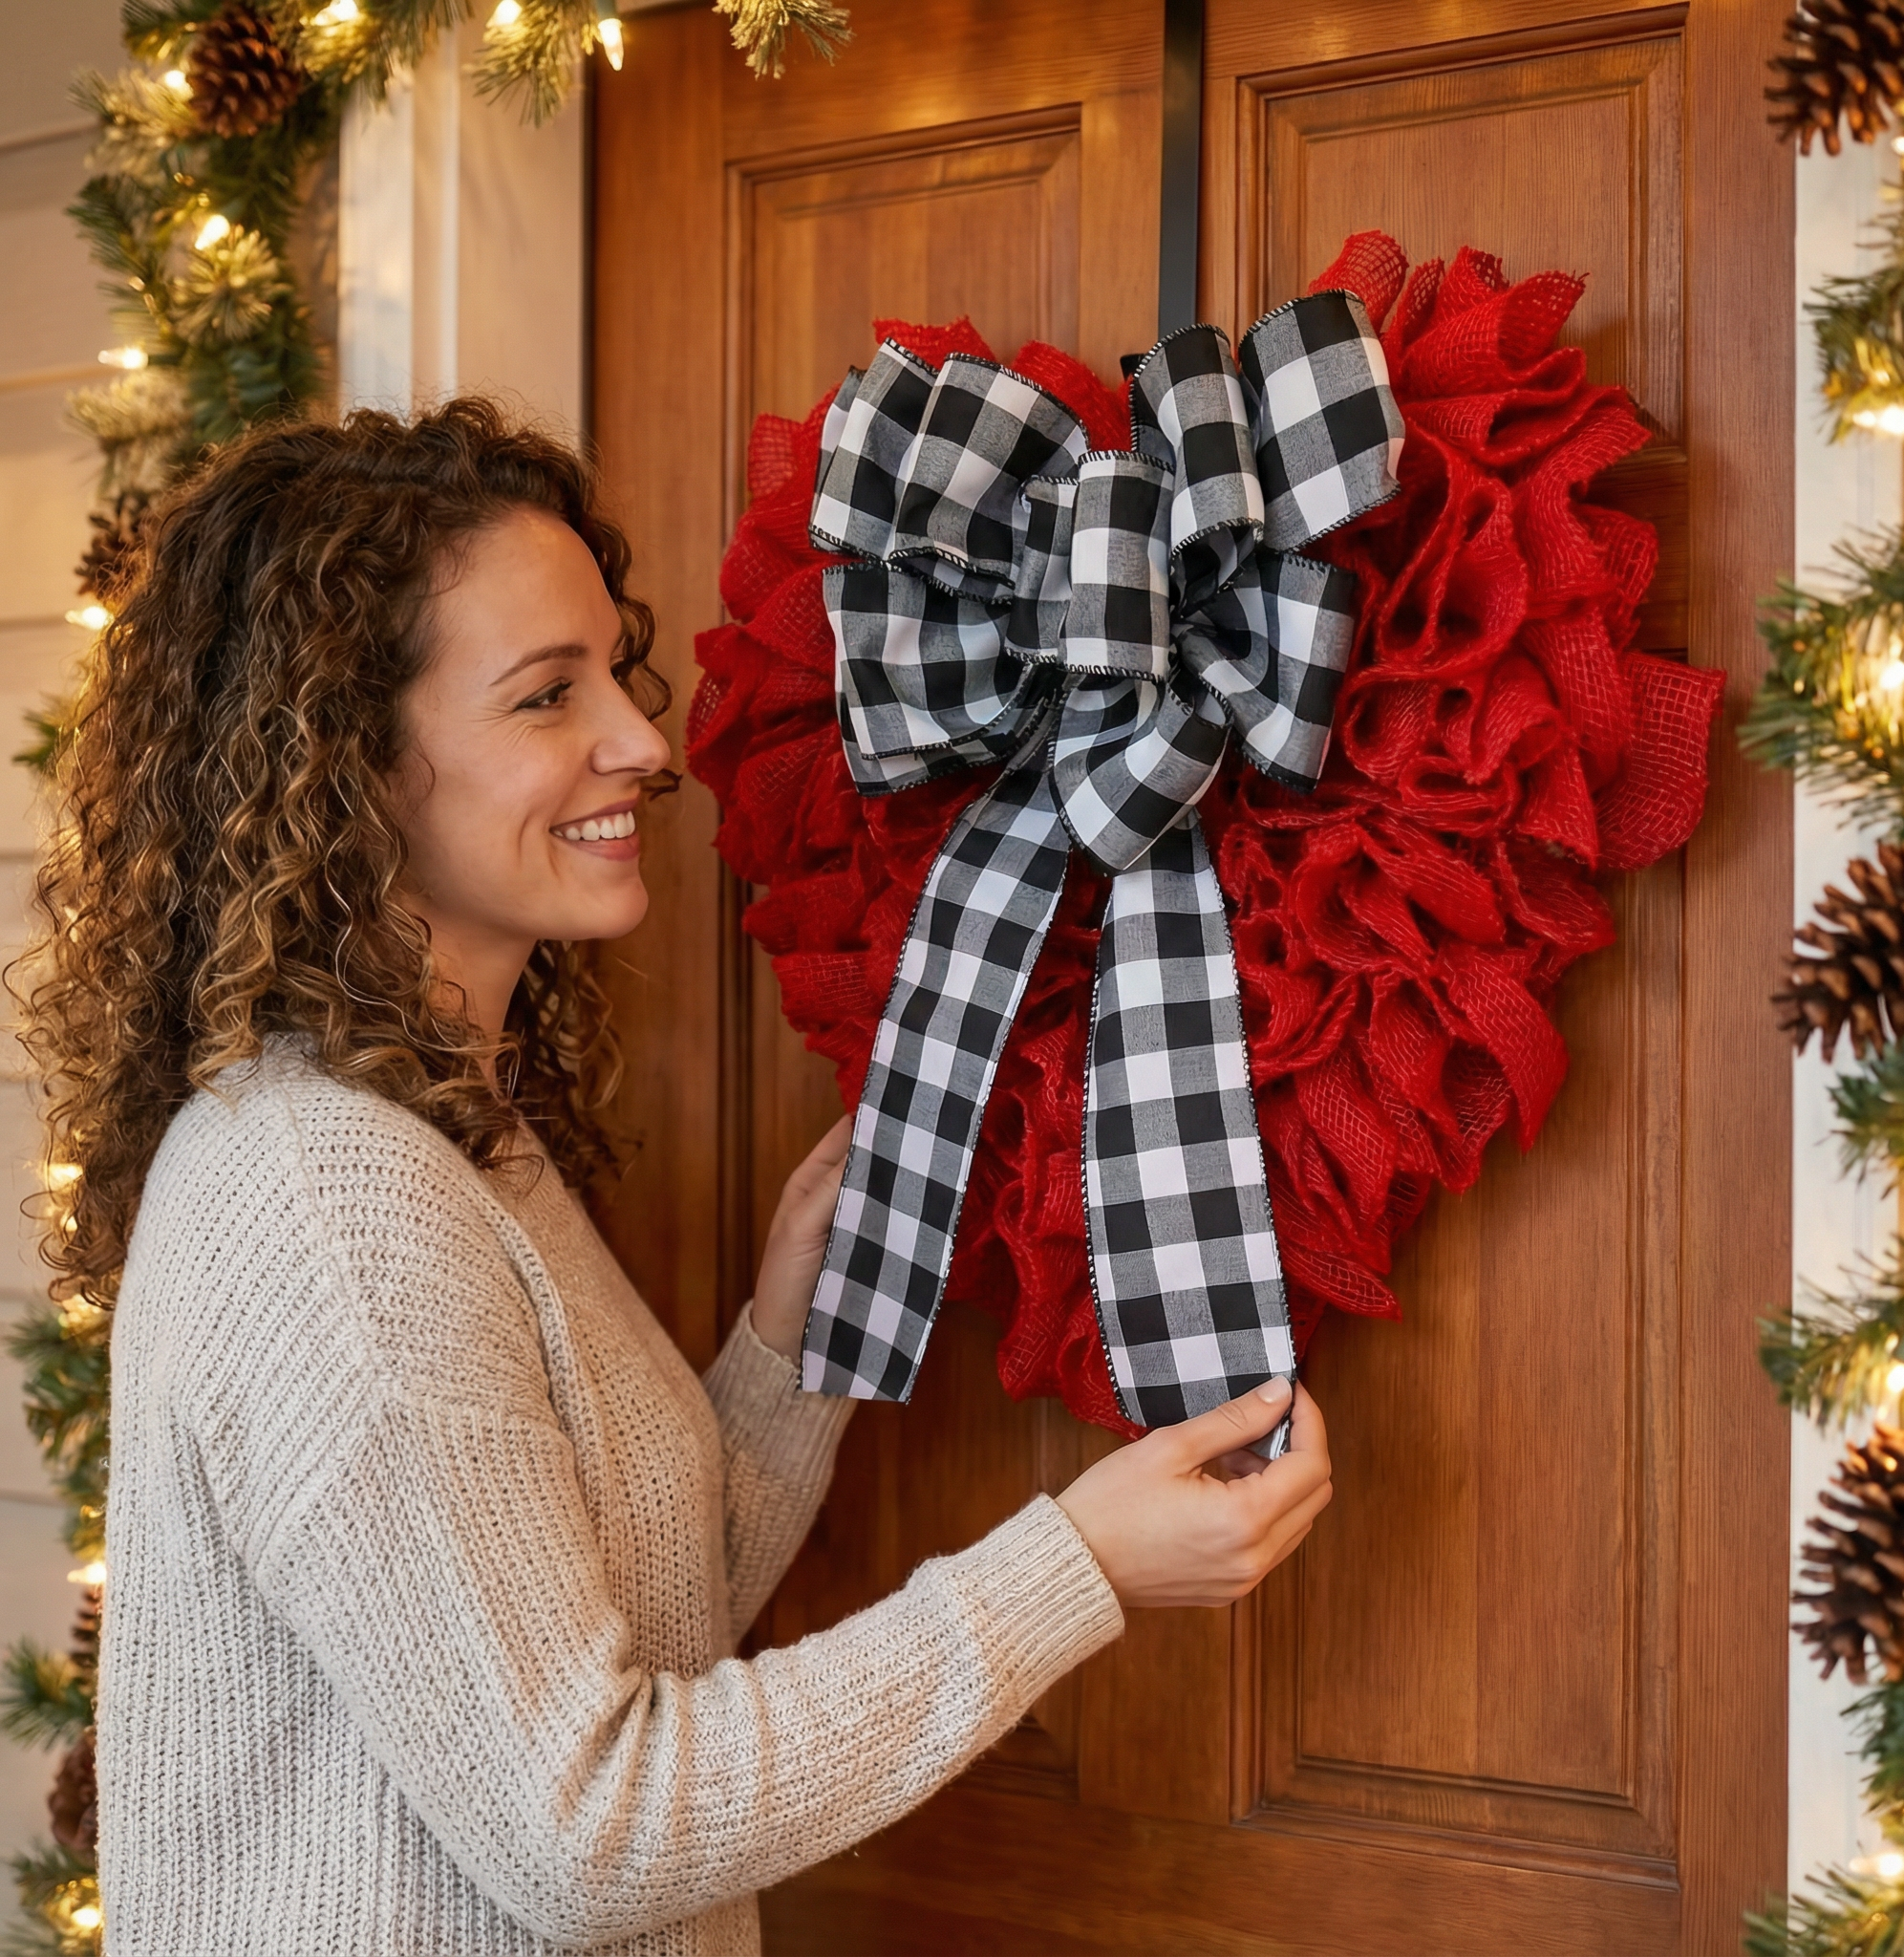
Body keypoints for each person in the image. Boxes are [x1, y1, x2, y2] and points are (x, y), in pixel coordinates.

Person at [27, 399, 1333, 1955]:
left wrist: (786, 1351)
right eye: (545, 695)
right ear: (346, 766)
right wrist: (1078, 1567)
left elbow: (641, 1621)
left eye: (612, 673)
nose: (644, 745)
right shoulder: (328, 1193)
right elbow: (590, 1828)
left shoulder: (448, 1125)